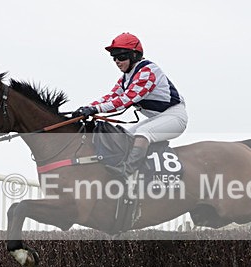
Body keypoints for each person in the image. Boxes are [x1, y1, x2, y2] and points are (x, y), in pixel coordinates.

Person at [73, 32, 188, 179]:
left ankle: (127, 173)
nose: (117, 61)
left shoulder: (148, 72)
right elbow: (111, 97)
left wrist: (95, 109)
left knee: (143, 134)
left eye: (121, 57)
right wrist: (86, 108)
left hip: (174, 117)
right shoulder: (126, 78)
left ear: (134, 56)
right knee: (125, 137)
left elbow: (124, 100)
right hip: (158, 118)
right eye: (114, 58)